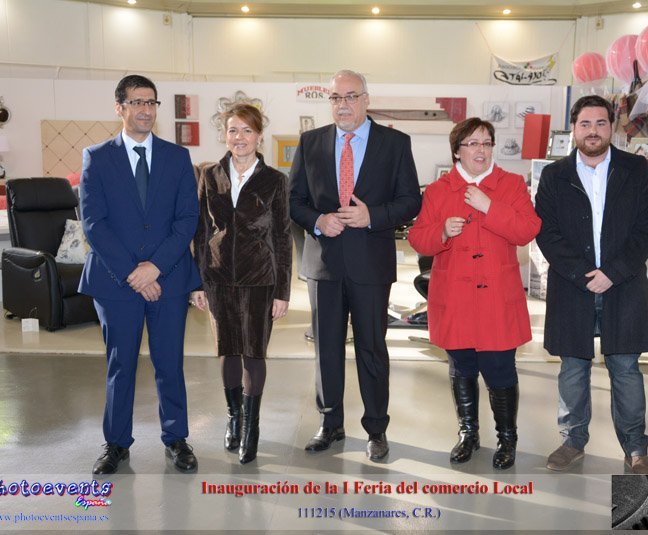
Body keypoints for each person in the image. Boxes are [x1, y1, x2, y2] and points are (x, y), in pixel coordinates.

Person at [289, 69, 422, 461]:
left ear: (366, 100)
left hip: (370, 265)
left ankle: (376, 429)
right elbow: (293, 200)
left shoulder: (394, 143)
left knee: (372, 349)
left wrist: (373, 216)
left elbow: (410, 201)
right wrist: (318, 220)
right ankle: (330, 423)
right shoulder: (310, 142)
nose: (342, 105)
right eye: (335, 98)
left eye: (350, 97)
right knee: (326, 349)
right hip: (324, 264)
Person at [80, 74, 201, 474]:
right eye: (137, 102)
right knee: (121, 365)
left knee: (170, 363)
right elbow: (94, 223)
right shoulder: (97, 157)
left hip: (168, 278)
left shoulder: (177, 158)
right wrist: (134, 272)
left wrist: (155, 268)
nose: (146, 110)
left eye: (151, 102)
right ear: (120, 107)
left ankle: (176, 438)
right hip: (116, 283)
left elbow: (187, 219)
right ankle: (116, 443)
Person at [534, 95, 648, 475]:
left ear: (612, 127)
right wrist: (583, 274)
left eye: (600, 123)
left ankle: (636, 449)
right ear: (573, 129)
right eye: (585, 124)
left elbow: (647, 229)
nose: (593, 131)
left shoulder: (636, 170)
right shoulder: (554, 176)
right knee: (573, 368)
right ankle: (572, 441)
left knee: (626, 369)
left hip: (624, 286)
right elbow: (547, 233)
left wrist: (613, 273)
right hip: (573, 287)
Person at [408, 118, 541, 469]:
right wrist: (441, 231)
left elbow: (528, 229)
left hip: (498, 297)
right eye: (472, 143)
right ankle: (468, 434)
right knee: (462, 368)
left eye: (486, 143)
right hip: (455, 298)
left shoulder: (511, 184)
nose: (480, 150)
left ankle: (507, 439)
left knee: (500, 369)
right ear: (457, 151)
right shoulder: (438, 191)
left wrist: (489, 207)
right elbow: (418, 238)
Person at [191, 103, 292, 464]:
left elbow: (282, 238)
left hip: (260, 280)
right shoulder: (210, 175)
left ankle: (252, 427)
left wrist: (282, 292)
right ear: (225, 135)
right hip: (218, 278)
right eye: (233, 130)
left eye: (247, 131)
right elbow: (201, 232)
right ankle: (234, 418)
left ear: (259, 136)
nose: (239, 137)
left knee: (253, 352)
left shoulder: (275, 180)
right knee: (228, 350)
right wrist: (197, 282)